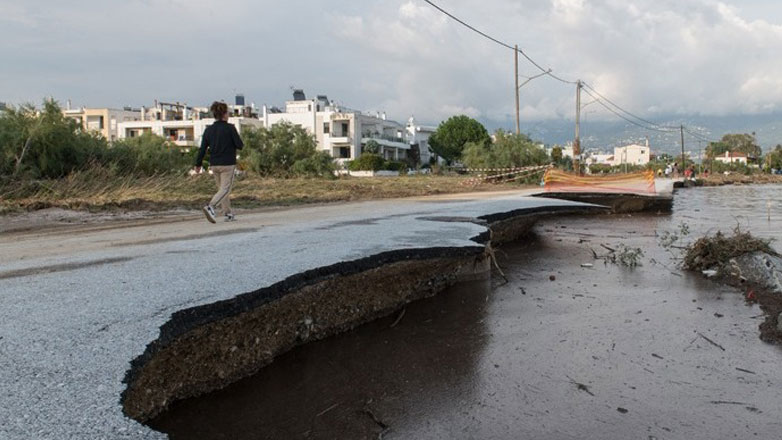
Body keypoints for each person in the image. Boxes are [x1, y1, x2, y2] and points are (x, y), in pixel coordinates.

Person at [194, 101, 244, 223]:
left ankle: (228, 213)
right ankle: (210, 206)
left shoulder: (208, 130)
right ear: (224, 114)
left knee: (221, 190)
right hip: (227, 164)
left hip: (214, 164)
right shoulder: (230, 128)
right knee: (225, 189)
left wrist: (198, 164)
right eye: (228, 113)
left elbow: (202, 149)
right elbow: (240, 145)